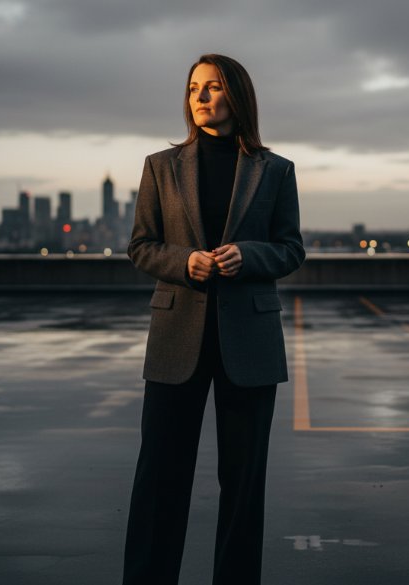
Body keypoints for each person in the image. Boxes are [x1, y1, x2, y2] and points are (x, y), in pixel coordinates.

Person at [121, 53, 305, 585]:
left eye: (213, 87)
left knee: (244, 485)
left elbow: (291, 249)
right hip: (177, 339)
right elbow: (140, 246)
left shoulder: (276, 170)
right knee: (160, 479)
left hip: (249, 344)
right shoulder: (161, 166)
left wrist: (250, 256)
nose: (200, 97)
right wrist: (184, 262)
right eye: (194, 87)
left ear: (237, 97)